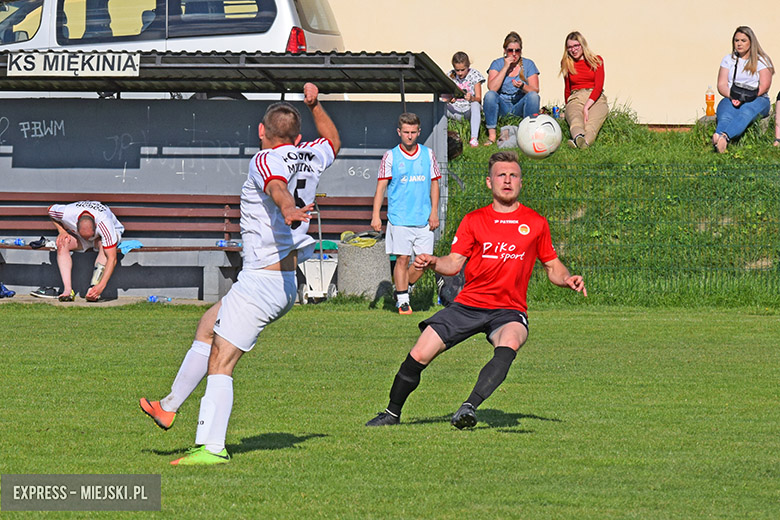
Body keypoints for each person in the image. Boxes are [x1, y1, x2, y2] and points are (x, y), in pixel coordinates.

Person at [139, 83, 340, 465]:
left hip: (262, 282)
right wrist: (315, 105)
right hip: (275, 280)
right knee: (207, 325)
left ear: (261, 131)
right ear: (297, 137)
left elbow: (277, 187)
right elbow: (332, 139)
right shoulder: (311, 154)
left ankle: (211, 448)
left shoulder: (263, 160)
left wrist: (286, 209)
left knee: (222, 359)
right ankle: (169, 405)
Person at [366, 151, 587, 429]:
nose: (507, 181)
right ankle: (391, 413)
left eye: (513, 175)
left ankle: (468, 407)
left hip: (509, 309)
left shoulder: (535, 223)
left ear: (521, 182)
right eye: (501, 175)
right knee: (420, 353)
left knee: (511, 342)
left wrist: (567, 278)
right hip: (468, 305)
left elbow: (553, 266)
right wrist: (433, 262)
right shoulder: (474, 220)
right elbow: (453, 263)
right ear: (488, 182)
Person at [371, 112, 441, 315]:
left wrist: (434, 212)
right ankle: (403, 300)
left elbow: (434, 184)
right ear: (399, 132)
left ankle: (401, 289)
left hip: (424, 218)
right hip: (400, 218)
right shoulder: (391, 156)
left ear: (419, 132)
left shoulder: (428, 154)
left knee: (424, 261)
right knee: (402, 259)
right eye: (406, 132)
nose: (409, 136)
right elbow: (381, 187)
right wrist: (376, 215)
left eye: (413, 132)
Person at [36, 201, 124, 302]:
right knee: (62, 242)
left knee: (103, 246)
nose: (87, 239)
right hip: (79, 237)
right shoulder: (66, 213)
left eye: (89, 235)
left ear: (95, 225)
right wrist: (62, 231)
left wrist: (101, 286)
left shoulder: (105, 224)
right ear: (76, 224)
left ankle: (93, 289)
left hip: (101, 238)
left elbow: (112, 258)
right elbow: (50, 209)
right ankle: (67, 290)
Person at [712, 26, 774, 153]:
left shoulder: (762, 60)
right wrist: (733, 97)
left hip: (757, 98)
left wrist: (745, 99)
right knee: (725, 114)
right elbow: (722, 84)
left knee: (746, 111)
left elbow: (765, 85)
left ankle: (725, 137)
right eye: (736, 40)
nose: (739, 44)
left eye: (743, 40)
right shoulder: (728, 60)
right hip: (732, 96)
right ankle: (718, 136)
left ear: (751, 42)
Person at [482, 32, 541, 146]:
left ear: (521, 51)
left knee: (533, 97)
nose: (514, 54)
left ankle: (529, 134)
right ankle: (492, 135)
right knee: (490, 95)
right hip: (502, 105)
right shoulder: (497, 64)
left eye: (517, 51)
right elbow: (492, 87)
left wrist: (523, 86)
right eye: (510, 50)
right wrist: (505, 67)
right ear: (505, 50)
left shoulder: (528, 64)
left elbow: (535, 89)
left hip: (519, 104)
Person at [560, 31, 608, 149]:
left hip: (595, 98)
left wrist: (586, 107)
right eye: (570, 47)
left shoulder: (597, 60)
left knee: (592, 124)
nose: (573, 50)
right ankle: (578, 138)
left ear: (582, 45)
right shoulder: (567, 63)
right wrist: (567, 109)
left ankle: (583, 143)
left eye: (576, 46)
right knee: (576, 120)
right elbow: (567, 88)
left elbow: (598, 86)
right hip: (576, 96)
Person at [442, 51, 485, 147]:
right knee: (440, 105)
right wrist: (449, 99)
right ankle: (441, 135)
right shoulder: (450, 75)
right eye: (457, 70)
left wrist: (472, 98)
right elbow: (444, 97)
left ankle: (474, 138)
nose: (460, 73)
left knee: (475, 104)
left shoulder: (474, 75)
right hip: (454, 109)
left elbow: (478, 98)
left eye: (463, 70)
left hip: (468, 110)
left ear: (468, 66)